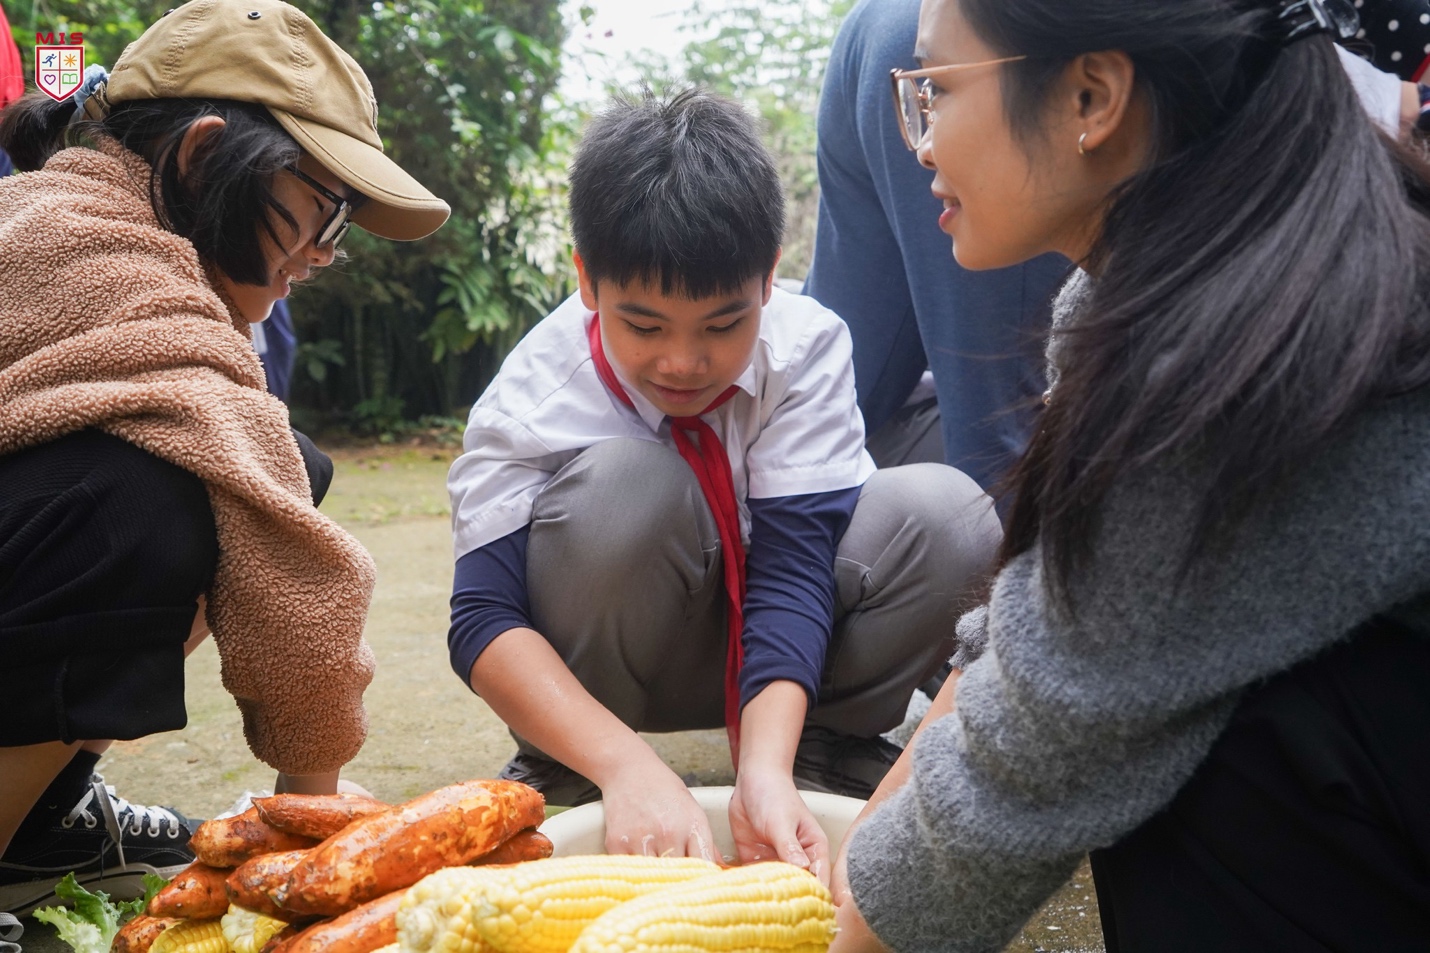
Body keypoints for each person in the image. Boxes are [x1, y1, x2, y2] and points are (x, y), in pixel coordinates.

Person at [827, 0, 1430, 951]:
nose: (920, 140)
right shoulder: (1160, 286)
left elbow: (1036, 754)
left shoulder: (1222, 368)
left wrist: (852, 926)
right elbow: (1032, 630)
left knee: (1186, 751)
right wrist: (855, 861)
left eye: (937, 90)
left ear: (1091, 95)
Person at [446, 88, 1001, 873]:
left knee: (952, 515)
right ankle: (570, 763)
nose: (683, 362)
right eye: (643, 325)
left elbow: (795, 567)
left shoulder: (805, 347)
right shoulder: (535, 396)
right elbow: (481, 620)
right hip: (624, 662)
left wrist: (763, 770)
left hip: (786, 658)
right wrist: (623, 764)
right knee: (626, 486)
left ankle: (824, 749)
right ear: (585, 280)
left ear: (770, 280)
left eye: (722, 324)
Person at [0, 0, 449, 916]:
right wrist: (314, 825)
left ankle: (37, 819)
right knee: (150, 500)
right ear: (205, 157)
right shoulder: (91, 256)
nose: (326, 255)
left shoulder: (80, 216)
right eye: (325, 214)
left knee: (274, 456)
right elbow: (295, 572)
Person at [804, 0, 1069, 488]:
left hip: (883, 27)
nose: (921, 149)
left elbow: (850, 365)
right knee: (997, 439)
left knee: (822, 400)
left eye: (938, 91)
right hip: (966, 36)